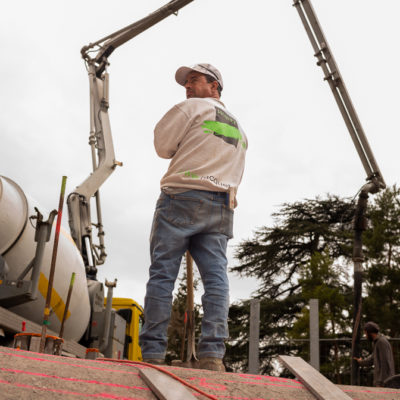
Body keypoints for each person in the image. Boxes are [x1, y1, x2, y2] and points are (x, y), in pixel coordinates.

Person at [139, 63, 248, 371]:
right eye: (186, 82)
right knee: (216, 279)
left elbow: (163, 146)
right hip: (221, 205)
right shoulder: (239, 128)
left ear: (214, 86)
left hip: (182, 198)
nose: (187, 86)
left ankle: (153, 353)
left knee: (162, 274)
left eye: (195, 80)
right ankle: (213, 354)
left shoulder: (191, 109)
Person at [354, 321, 395, 387]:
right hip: (381, 381)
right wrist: (361, 362)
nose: (365, 336)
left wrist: (381, 382)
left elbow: (385, 363)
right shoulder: (376, 342)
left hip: (385, 381)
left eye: (366, 333)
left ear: (370, 332)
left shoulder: (381, 342)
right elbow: (372, 359)